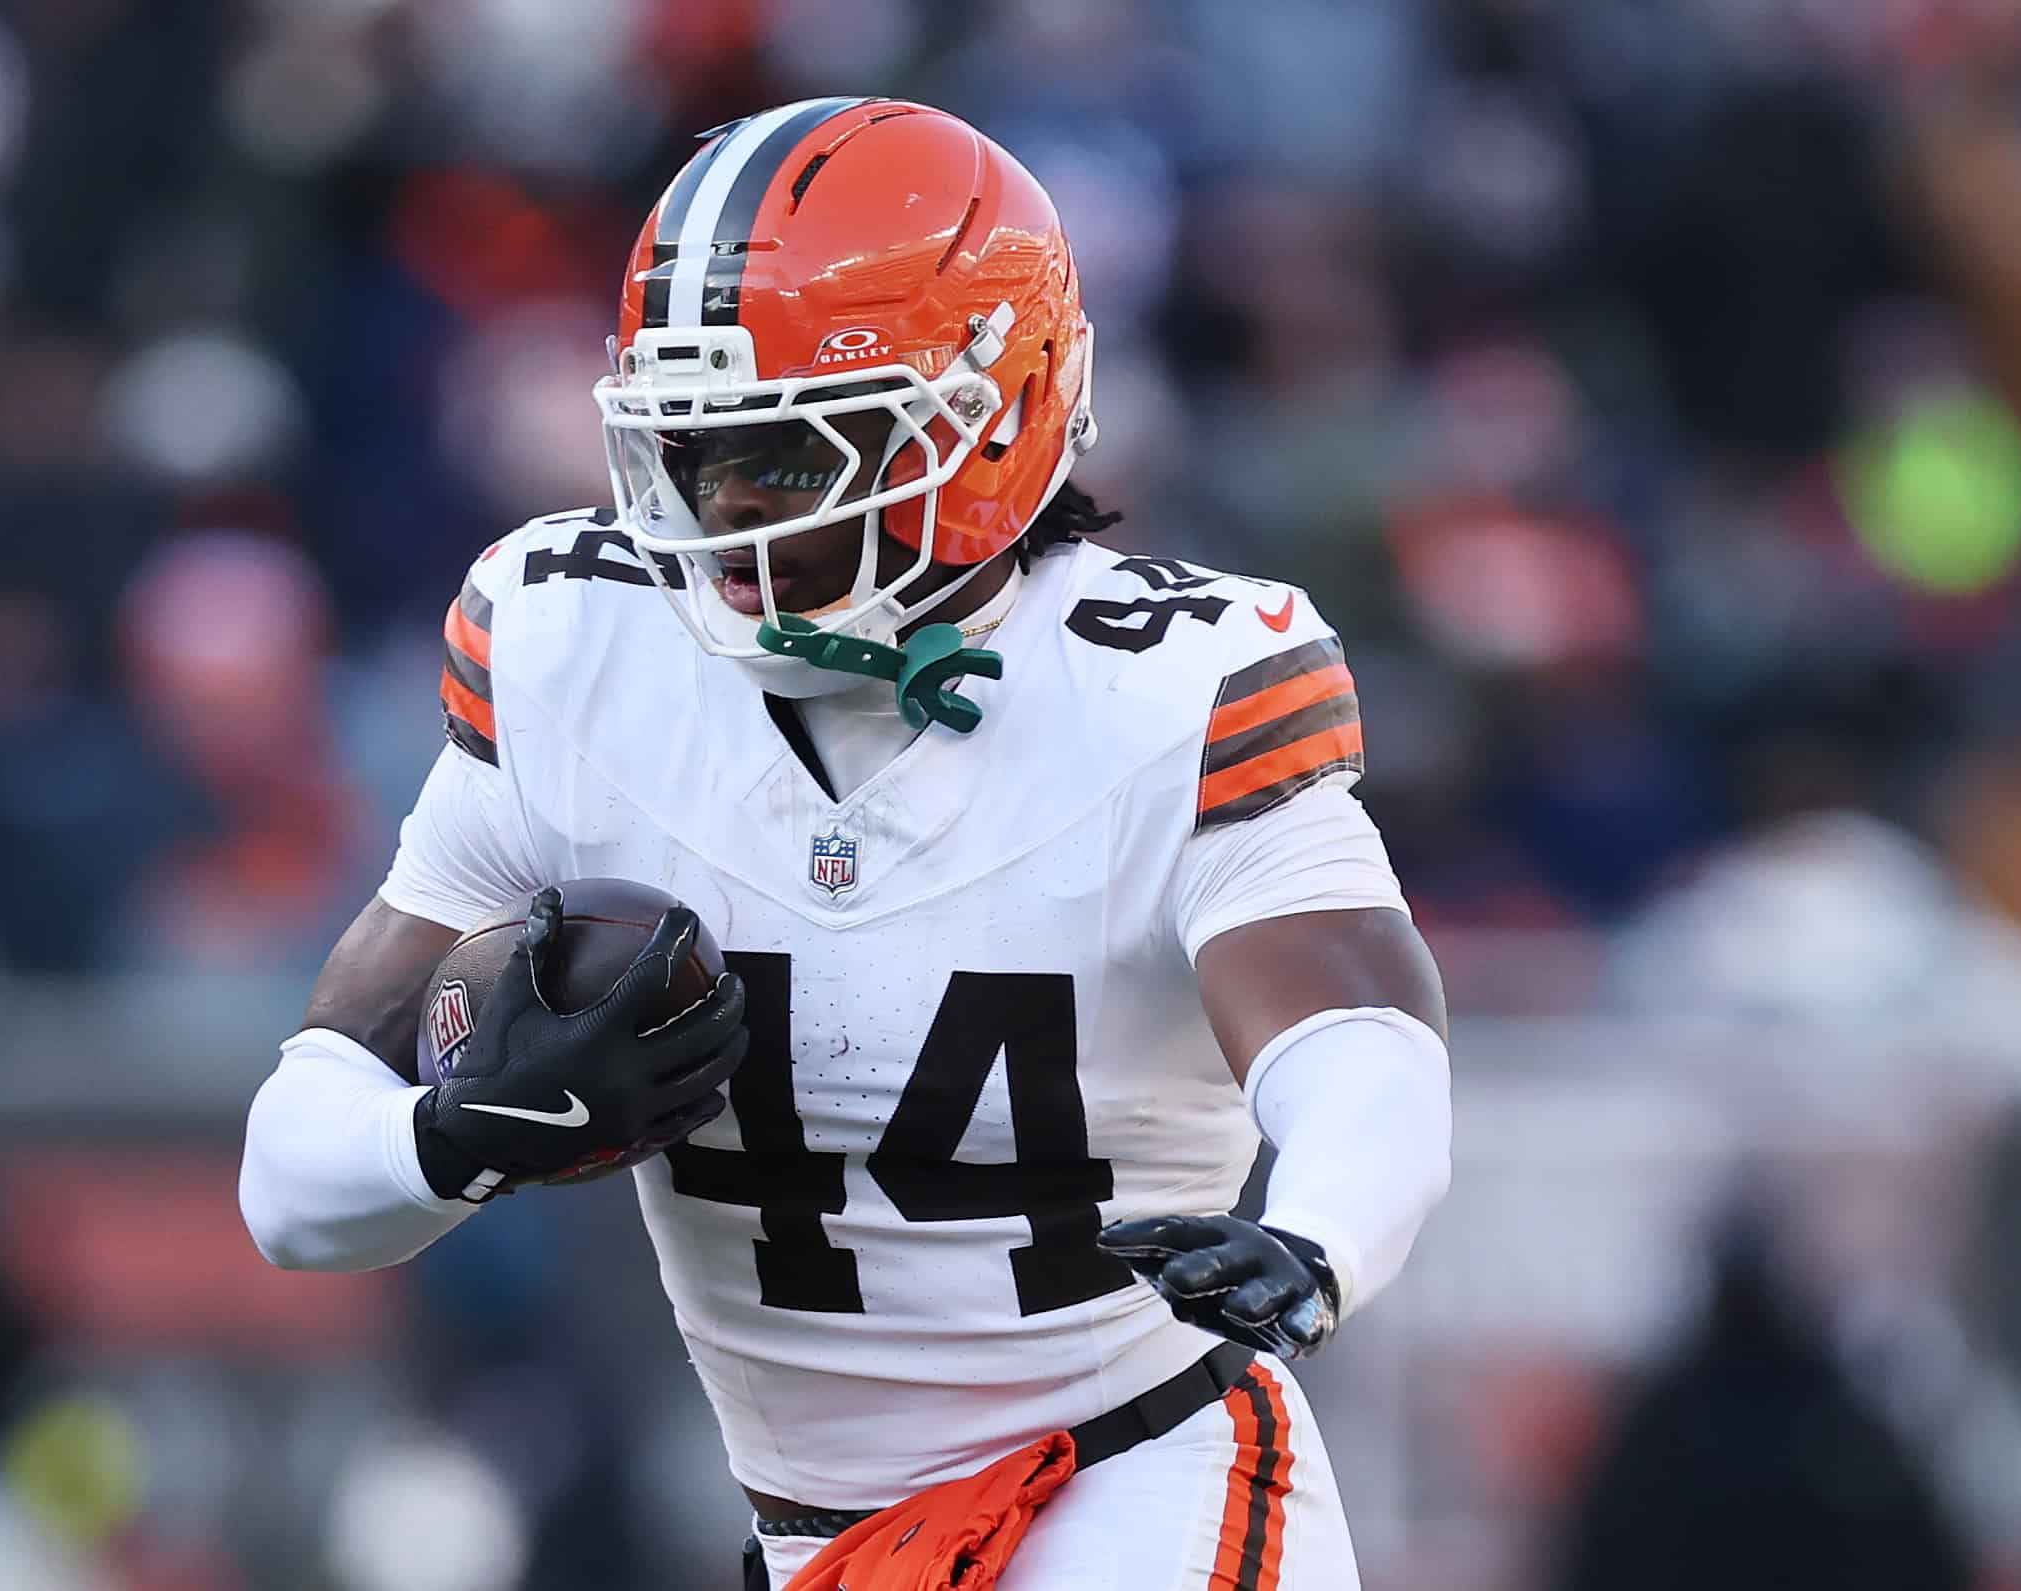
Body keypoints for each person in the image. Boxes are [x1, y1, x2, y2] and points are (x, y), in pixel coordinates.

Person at [239, 97, 1451, 1591]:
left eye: (790, 463)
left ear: (989, 415)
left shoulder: (1173, 683)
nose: (727, 521)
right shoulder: (576, 647)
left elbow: (1360, 1036)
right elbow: (292, 1180)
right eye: (694, 453)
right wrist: (458, 1136)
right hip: (813, 1538)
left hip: (1136, 1478)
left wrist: (1317, 1232)